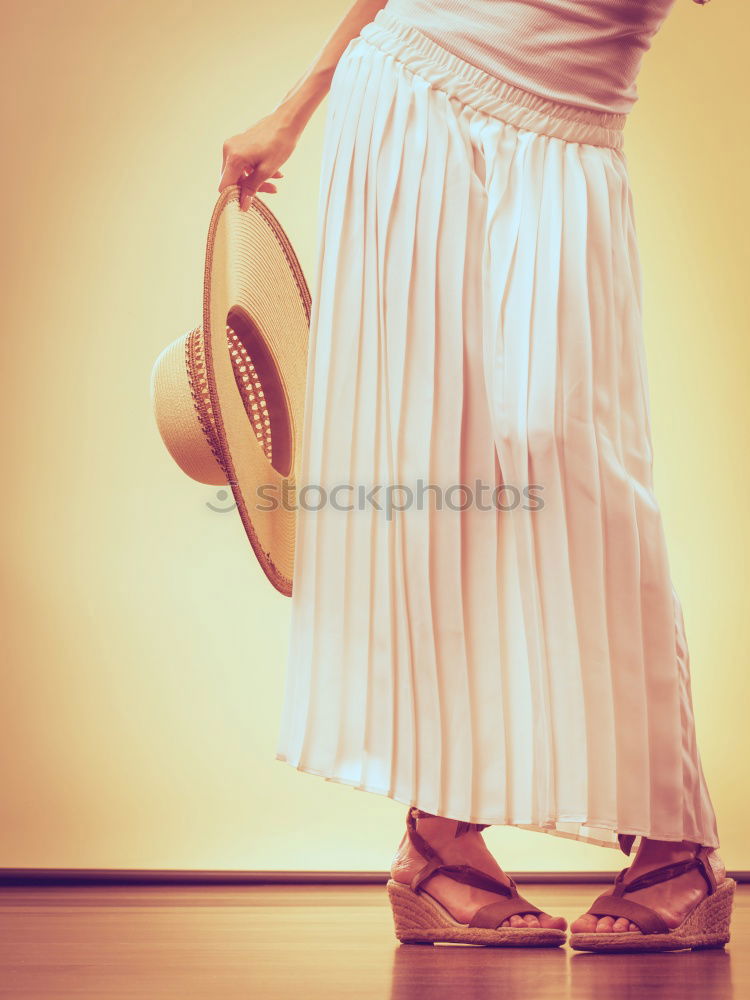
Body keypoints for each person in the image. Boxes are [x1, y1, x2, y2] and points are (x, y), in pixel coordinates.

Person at [219, 0, 731, 949]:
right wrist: (303, 100)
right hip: (410, 91)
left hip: (573, 124)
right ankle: (441, 840)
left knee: (569, 453)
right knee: (429, 457)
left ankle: (674, 838)